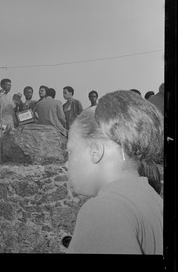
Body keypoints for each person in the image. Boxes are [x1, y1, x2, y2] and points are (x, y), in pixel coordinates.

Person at [66, 90, 163, 254]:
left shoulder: (102, 210)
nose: (66, 163)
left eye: (70, 152)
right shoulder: (151, 197)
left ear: (95, 151)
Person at [0, 79, 17, 163]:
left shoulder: (9, 97)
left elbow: (13, 110)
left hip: (10, 124)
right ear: (2, 85)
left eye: (10, 85)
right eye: (7, 85)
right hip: (2, 123)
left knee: (8, 144)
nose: (9, 87)